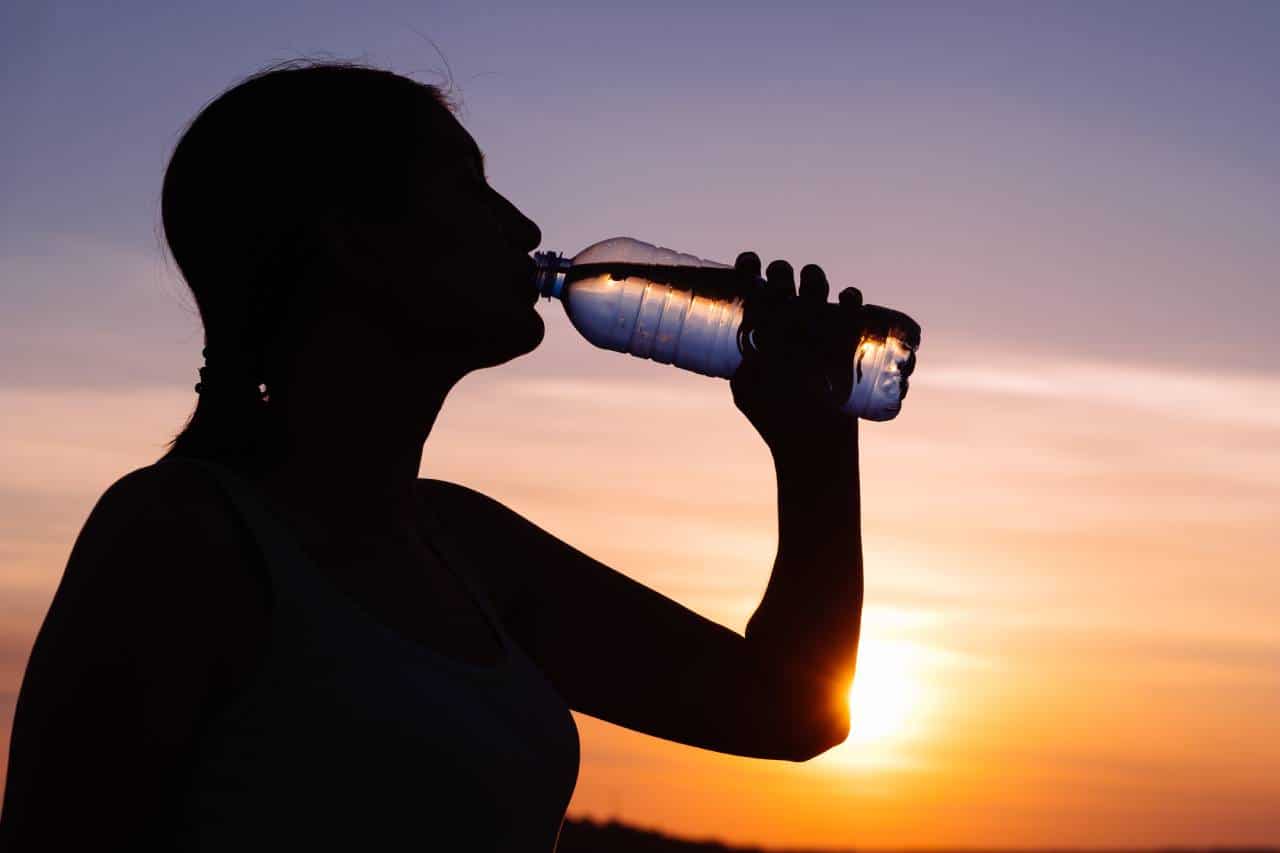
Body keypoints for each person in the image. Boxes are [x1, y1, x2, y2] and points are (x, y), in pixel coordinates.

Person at [0, 61, 866, 851]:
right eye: (467, 186)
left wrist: (816, 445)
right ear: (351, 238)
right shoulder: (181, 537)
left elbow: (789, 709)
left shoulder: (466, 548)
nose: (523, 224)